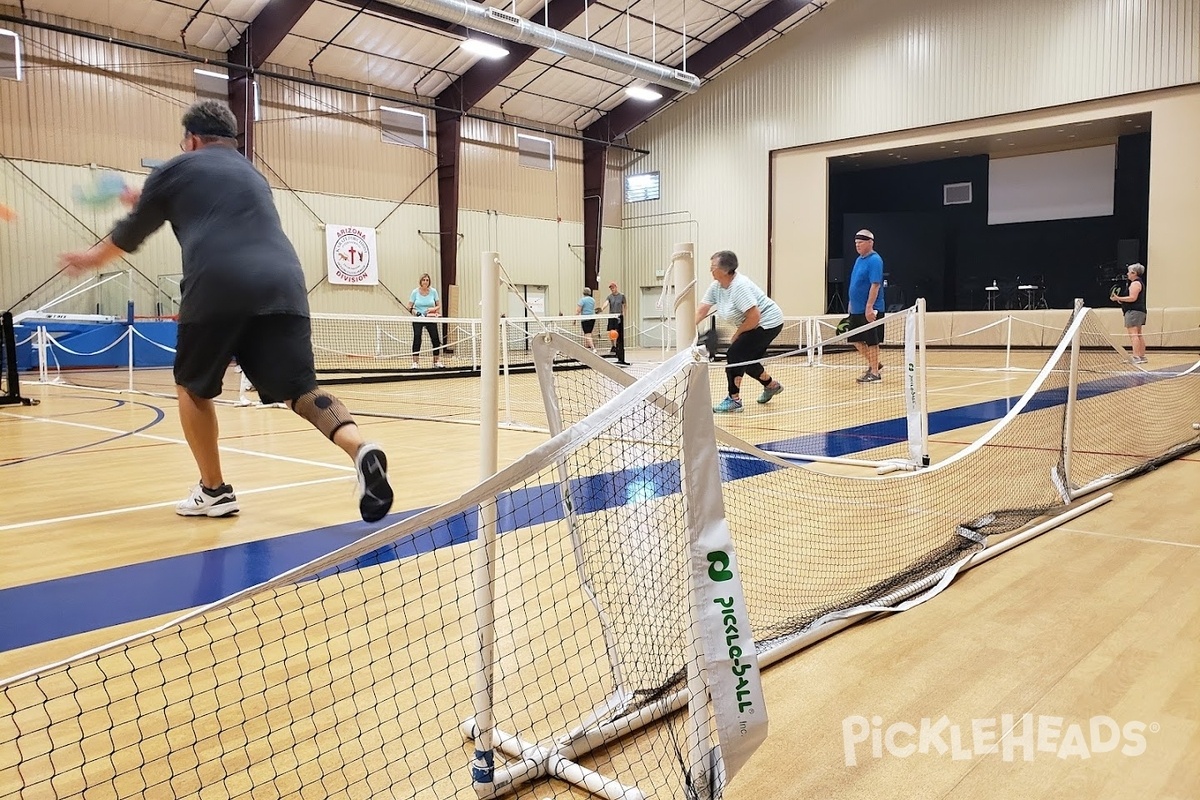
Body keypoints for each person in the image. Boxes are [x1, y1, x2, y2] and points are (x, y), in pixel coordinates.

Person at [57, 100, 394, 523]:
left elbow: (132, 231)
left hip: (218, 285)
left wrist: (89, 259)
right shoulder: (251, 173)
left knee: (193, 388)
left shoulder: (175, 168)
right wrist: (149, 193)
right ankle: (359, 448)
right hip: (284, 284)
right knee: (301, 389)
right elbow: (200, 197)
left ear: (192, 140)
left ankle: (214, 492)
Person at [695, 250, 784, 413]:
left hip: (768, 322)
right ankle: (771, 385)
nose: (710, 269)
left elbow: (754, 316)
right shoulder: (717, 287)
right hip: (753, 322)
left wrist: (737, 334)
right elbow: (702, 309)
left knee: (735, 355)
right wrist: (687, 328)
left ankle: (734, 400)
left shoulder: (739, 286)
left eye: (713, 266)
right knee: (747, 360)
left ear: (724, 269)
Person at [847, 229, 886, 383]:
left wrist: (869, 307)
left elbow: (875, 285)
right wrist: (851, 302)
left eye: (861, 242)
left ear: (870, 243)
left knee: (871, 341)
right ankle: (874, 362)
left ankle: (875, 373)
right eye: (856, 243)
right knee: (855, 339)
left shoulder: (875, 260)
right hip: (856, 310)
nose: (857, 245)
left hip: (870, 310)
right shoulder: (859, 260)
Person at [1113, 263, 1147, 364]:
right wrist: (1122, 300)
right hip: (1139, 311)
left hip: (1133, 312)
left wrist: (1118, 298)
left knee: (1134, 334)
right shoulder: (1138, 283)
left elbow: (1132, 298)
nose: (1127, 274)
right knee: (1138, 334)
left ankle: (1136, 357)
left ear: (1134, 273)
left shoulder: (1135, 284)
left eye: (1129, 272)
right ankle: (1141, 356)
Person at [408, 272, 445, 368]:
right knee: (417, 339)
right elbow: (409, 307)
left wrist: (432, 309)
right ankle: (415, 363)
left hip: (430, 318)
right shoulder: (415, 292)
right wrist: (417, 313)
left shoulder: (433, 292)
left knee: (435, 339)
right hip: (418, 319)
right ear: (420, 281)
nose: (425, 282)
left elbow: (438, 305)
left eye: (427, 280)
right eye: (424, 280)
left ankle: (436, 361)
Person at [601, 281, 630, 366]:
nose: (612, 289)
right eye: (610, 288)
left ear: (616, 287)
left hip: (618, 316)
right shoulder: (609, 297)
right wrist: (602, 308)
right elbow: (606, 303)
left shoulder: (622, 296)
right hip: (611, 316)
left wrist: (624, 314)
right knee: (611, 332)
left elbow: (625, 305)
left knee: (618, 332)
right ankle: (613, 346)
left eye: (613, 287)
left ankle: (618, 346)